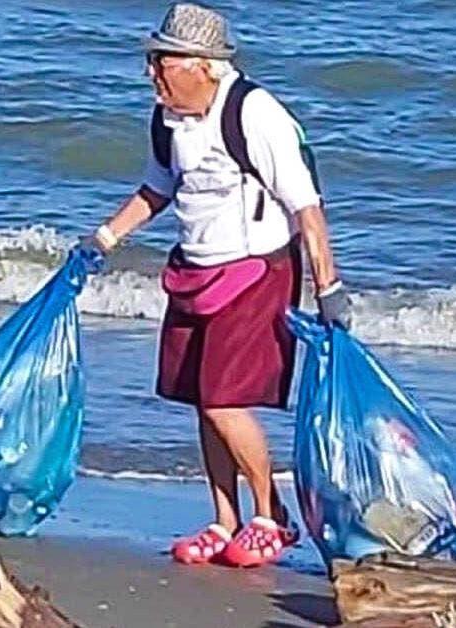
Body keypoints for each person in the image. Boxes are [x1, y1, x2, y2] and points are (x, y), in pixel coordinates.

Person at [79, 2, 350, 568]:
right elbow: (157, 190)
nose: (152, 72)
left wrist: (329, 288)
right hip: (195, 270)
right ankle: (226, 521)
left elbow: (307, 209)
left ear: (204, 65)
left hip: (257, 272)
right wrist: (101, 240)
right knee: (199, 402)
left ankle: (271, 515)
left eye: (163, 61)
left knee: (223, 400)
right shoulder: (167, 118)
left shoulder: (256, 114)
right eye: (151, 60)